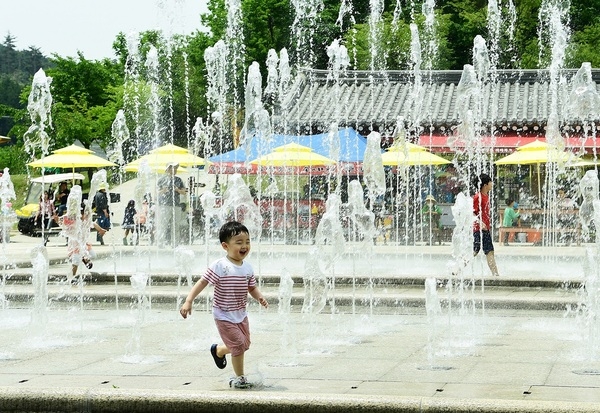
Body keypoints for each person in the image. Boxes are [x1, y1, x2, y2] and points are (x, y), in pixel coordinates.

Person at [179, 221, 269, 389]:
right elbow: (202, 282)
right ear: (225, 246)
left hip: (240, 314)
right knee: (238, 346)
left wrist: (259, 297)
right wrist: (189, 300)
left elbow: (252, 287)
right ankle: (240, 377)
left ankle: (219, 351)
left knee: (245, 344)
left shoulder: (247, 268)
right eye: (239, 242)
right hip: (223, 315)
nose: (245, 246)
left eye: (247, 241)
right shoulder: (220, 266)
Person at [473, 173, 500, 277]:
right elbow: (471, 212)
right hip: (479, 229)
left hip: (484, 229)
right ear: (485, 185)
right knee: (478, 251)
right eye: (490, 182)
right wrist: (480, 222)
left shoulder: (486, 196)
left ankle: (495, 273)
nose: (492, 184)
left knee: (489, 251)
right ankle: (457, 268)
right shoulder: (478, 197)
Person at [157, 162, 187, 247]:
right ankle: (160, 243)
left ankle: (175, 244)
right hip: (164, 205)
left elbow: (184, 192)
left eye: (176, 168)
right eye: (173, 168)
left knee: (175, 225)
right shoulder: (161, 180)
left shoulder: (179, 180)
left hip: (176, 205)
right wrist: (163, 191)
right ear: (168, 169)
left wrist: (178, 190)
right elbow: (156, 193)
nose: (175, 170)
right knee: (163, 225)